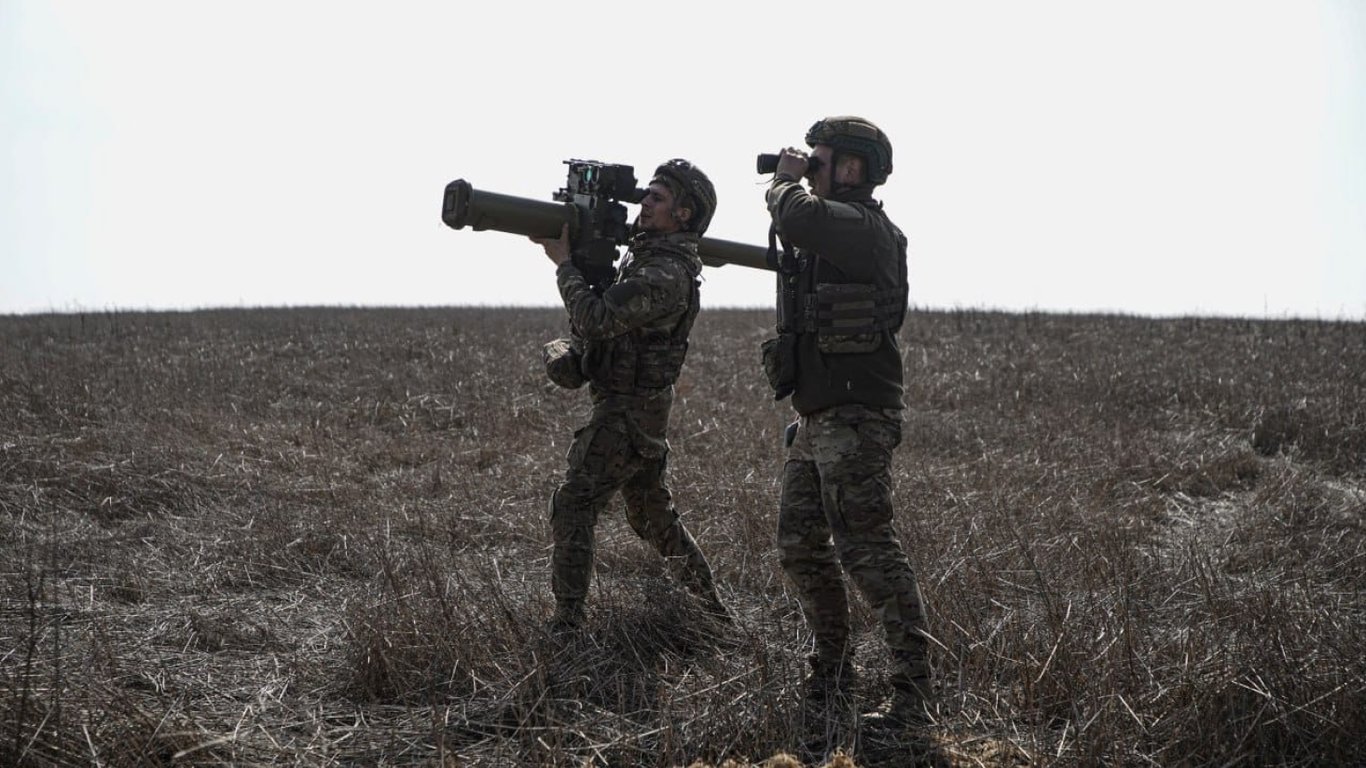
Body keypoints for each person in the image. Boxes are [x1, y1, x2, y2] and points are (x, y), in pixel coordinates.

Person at [761, 117, 933, 730]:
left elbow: (797, 216)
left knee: (867, 550)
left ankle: (913, 697)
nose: (810, 170)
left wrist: (784, 181)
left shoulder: (863, 228)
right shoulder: (832, 233)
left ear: (853, 168)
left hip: (857, 417)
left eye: (820, 160)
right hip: (818, 419)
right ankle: (832, 671)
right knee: (800, 546)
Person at [530, 158, 728, 631]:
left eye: (658, 198)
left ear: (683, 214)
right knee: (650, 516)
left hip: (627, 415)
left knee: (574, 504)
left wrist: (564, 267)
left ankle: (567, 624)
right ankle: (715, 615)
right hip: (636, 411)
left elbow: (597, 319)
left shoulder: (665, 274)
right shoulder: (646, 260)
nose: (645, 202)